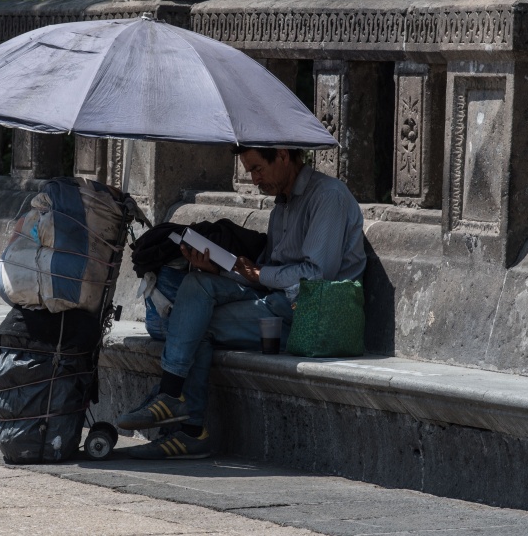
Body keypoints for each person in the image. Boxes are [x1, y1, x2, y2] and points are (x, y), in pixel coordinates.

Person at [117, 146, 367, 460]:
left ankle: (188, 423)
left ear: (283, 155)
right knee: (197, 285)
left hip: (309, 318)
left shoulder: (328, 197)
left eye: (258, 168)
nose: (254, 178)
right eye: (249, 171)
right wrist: (221, 268)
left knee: (193, 324)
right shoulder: (282, 207)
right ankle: (176, 403)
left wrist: (253, 270)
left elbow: (314, 277)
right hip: (273, 303)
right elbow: (265, 273)